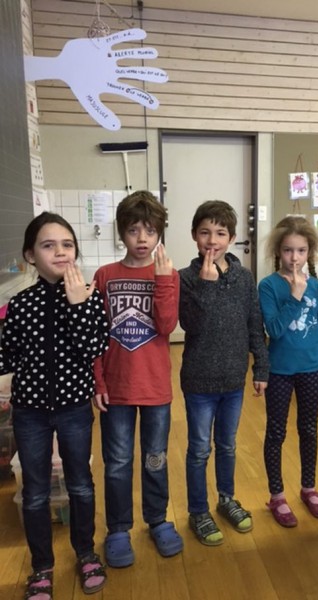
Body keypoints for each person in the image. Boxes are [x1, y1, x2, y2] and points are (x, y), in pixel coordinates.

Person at [0, 212, 109, 600]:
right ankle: (41, 567)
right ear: (31, 255)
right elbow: (7, 356)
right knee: (35, 492)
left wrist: (78, 305)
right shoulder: (21, 303)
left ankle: (86, 553)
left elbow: (94, 349)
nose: (60, 252)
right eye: (49, 245)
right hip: (29, 411)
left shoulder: (89, 296)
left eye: (67, 244)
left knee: (80, 483)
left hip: (74, 407)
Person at [93, 191, 183, 566]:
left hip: (155, 387)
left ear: (160, 233)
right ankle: (117, 529)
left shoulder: (169, 274)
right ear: (121, 233)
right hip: (116, 387)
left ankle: (158, 520)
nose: (142, 239)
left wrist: (162, 280)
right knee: (116, 462)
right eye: (133, 230)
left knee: (155, 458)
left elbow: (166, 326)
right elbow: (95, 335)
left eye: (150, 230)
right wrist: (98, 381)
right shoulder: (105, 276)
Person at [179, 200, 269, 546]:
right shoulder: (185, 278)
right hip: (199, 380)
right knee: (199, 449)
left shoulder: (243, 278)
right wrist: (205, 285)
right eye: (205, 232)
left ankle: (226, 498)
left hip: (233, 379)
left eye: (220, 233)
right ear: (194, 235)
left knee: (227, 445)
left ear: (231, 238)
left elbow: (254, 324)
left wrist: (261, 366)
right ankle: (198, 510)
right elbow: (190, 324)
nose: (212, 240)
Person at [258, 216, 318, 528]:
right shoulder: (268, 286)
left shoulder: (317, 287)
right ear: (279, 251)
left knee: (309, 429)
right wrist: (294, 297)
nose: (294, 258)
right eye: (288, 250)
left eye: (301, 251)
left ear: (309, 252)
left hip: (312, 369)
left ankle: (309, 488)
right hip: (279, 371)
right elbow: (274, 330)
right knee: (276, 432)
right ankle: (277, 495)